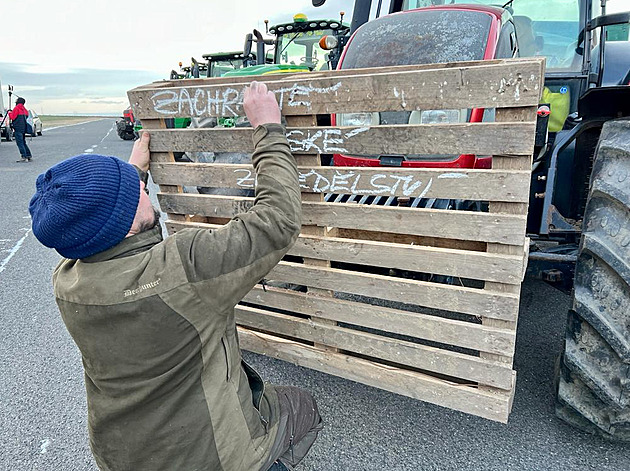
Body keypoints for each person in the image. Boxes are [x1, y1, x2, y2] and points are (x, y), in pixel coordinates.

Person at [29, 81, 322, 471]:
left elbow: (104, 225)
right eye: (134, 194)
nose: (142, 193)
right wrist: (267, 127)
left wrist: (133, 172)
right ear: (124, 221)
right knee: (302, 406)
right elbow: (277, 221)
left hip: (123, 455)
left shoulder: (69, 280)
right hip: (210, 459)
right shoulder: (182, 269)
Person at [9, 96, 33, 163]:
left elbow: (13, 117)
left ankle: (23, 156)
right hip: (23, 128)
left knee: (20, 143)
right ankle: (28, 155)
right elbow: (27, 116)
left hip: (17, 128)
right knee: (23, 142)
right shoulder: (24, 109)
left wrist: (9, 113)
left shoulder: (16, 108)